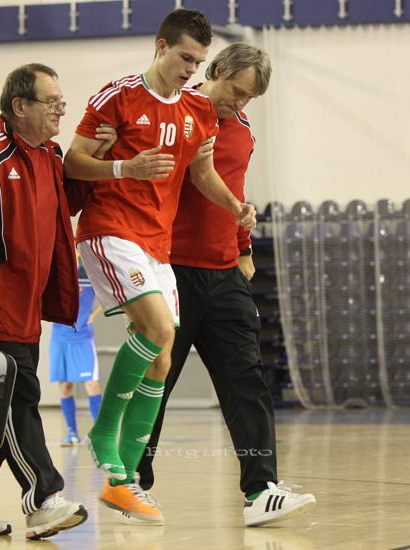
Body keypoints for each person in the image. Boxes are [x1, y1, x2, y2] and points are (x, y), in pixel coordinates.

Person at [64, 9, 256, 525]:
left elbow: (203, 172)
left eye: (198, 61)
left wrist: (235, 206)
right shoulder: (118, 95)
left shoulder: (198, 110)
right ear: (160, 46)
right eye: (185, 58)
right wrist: (125, 167)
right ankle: (103, 431)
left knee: (162, 359)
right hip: (110, 230)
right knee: (159, 328)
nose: (191, 69)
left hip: (157, 243)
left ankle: (124, 481)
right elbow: (73, 160)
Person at [132, 43, 316, 527]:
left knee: (247, 382)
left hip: (225, 273)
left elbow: (234, 191)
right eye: (235, 91)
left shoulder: (243, 129)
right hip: (169, 271)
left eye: (248, 97)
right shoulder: (172, 116)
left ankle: (261, 490)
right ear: (214, 71)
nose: (239, 103)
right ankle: (131, 482)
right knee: (155, 383)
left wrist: (243, 246)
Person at [0, 63, 110, 539]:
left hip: (26, 309)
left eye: (61, 102)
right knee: (17, 399)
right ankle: (44, 498)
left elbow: (63, 207)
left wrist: (98, 158)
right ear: (19, 106)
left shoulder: (49, 155)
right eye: (51, 102)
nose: (61, 110)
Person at [50, 258, 103, 446]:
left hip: (82, 336)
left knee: (92, 384)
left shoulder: (89, 271)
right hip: (59, 335)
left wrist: (93, 315)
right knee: (64, 385)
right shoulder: (56, 271)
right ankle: (72, 433)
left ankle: (100, 434)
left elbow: (111, 294)